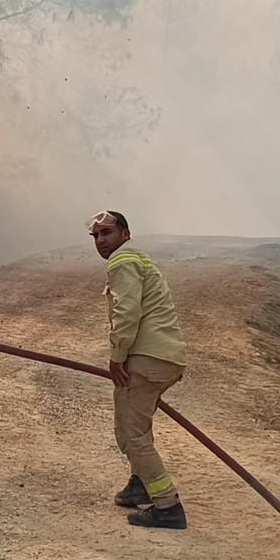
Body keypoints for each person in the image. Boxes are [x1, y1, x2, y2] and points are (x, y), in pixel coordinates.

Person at [88, 210, 188, 530]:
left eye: (107, 233)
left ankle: (167, 506)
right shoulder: (135, 259)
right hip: (159, 358)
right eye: (96, 236)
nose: (102, 240)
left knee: (134, 435)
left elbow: (127, 311)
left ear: (125, 234)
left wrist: (117, 357)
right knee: (129, 427)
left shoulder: (122, 260)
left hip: (146, 359)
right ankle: (140, 484)